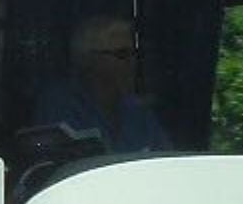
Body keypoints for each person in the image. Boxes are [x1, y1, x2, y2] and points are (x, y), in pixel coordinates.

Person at [31, 14, 171, 153]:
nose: (132, 62)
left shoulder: (138, 112)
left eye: (134, 54)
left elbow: (165, 160)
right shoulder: (60, 104)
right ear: (89, 59)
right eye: (122, 54)